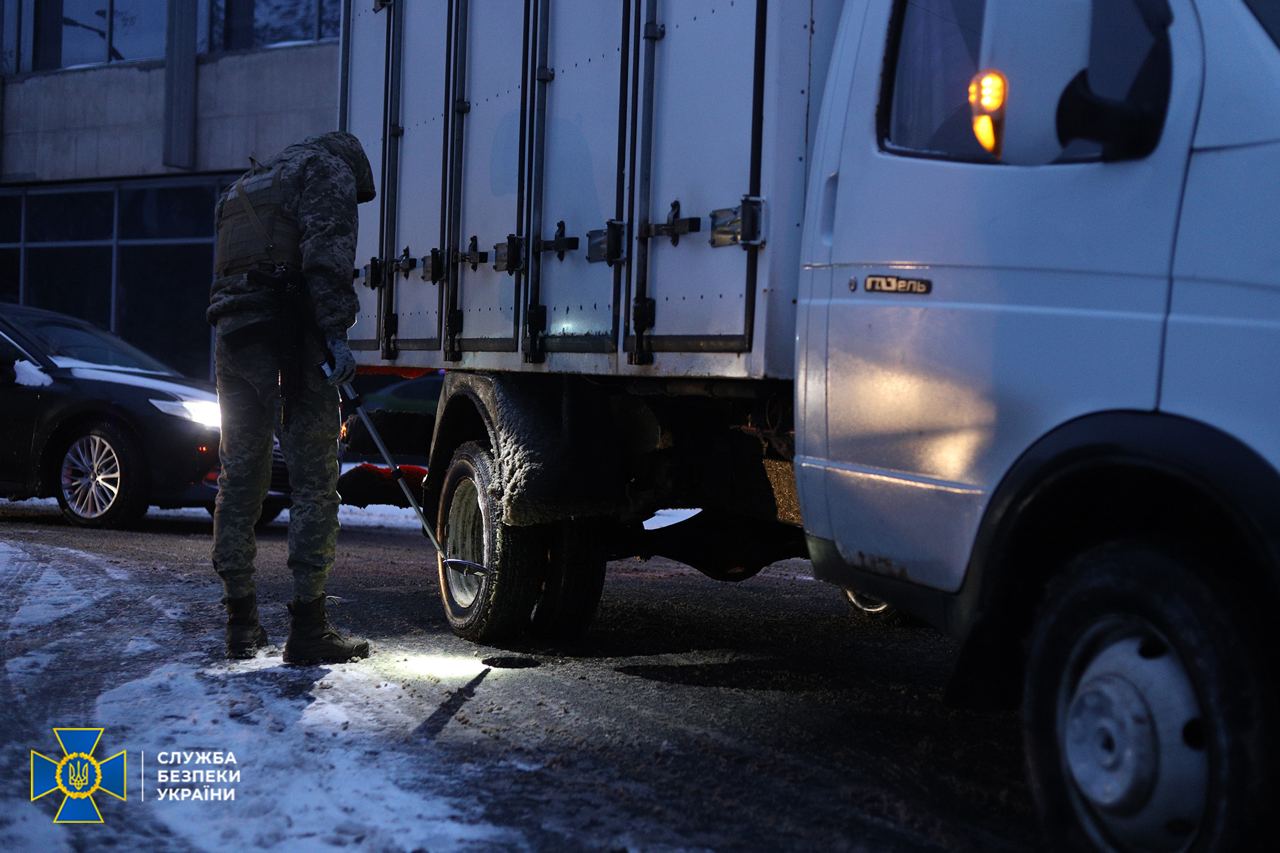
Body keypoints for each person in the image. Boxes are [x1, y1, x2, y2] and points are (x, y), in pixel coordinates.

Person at [207, 131, 374, 664]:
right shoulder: (327, 170)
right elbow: (328, 255)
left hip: (232, 336)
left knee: (241, 475)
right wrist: (337, 333)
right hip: (290, 337)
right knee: (314, 480)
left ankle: (240, 622)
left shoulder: (243, 187)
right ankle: (309, 627)